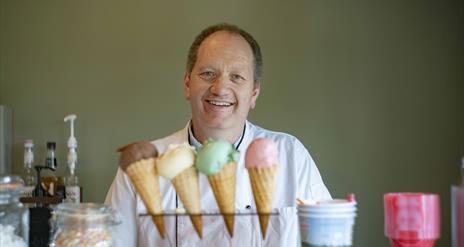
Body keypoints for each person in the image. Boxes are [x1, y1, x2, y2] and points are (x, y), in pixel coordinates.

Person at [105, 23, 331, 247]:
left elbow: (329, 238)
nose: (220, 88)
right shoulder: (143, 165)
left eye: (237, 77)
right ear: (187, 85)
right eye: (208, 73)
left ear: (254, 93)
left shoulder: (291, 155)